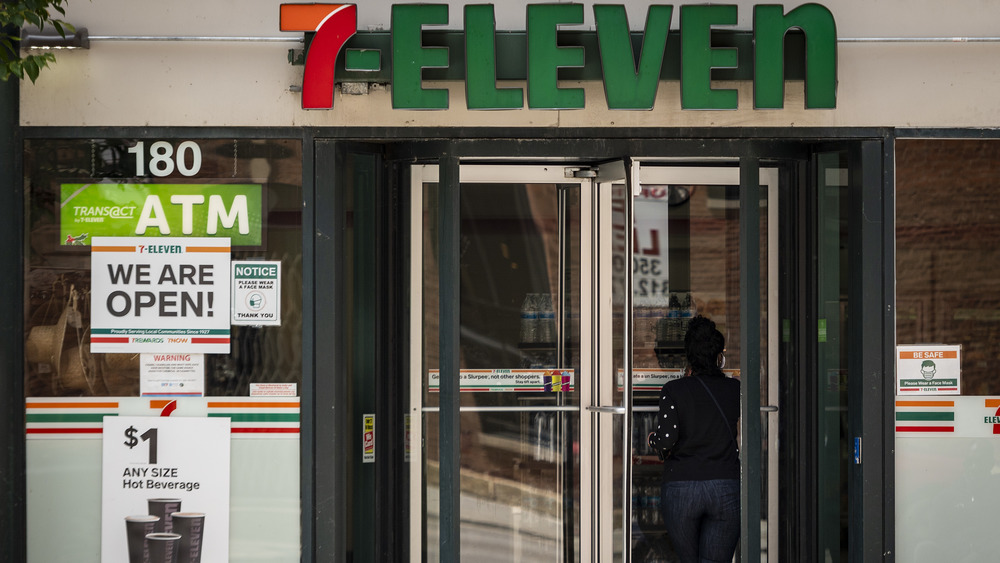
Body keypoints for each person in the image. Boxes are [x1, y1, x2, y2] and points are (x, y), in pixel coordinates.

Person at [647, 315, 740, 563]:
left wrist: (652, 440)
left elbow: (666, 440)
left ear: (689, 355)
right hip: (725, 486)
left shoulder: (674, 390)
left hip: (682, 488)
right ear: (718, 355)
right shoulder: (734, 390)